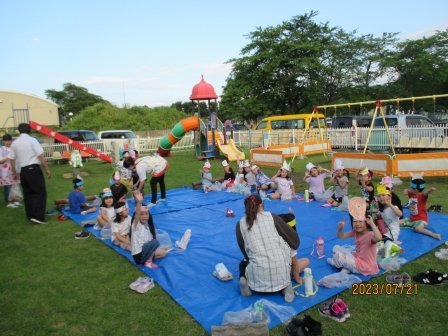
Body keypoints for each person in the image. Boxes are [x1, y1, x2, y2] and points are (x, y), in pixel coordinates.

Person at [236, 194, 298, 302]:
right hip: (281, 272)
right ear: (261, 205)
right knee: (281, 261)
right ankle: (286, 286)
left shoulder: (240, 224)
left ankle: (244, 279)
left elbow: (244, 251)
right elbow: (294, 240)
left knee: (244, 262)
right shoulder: (272, 217)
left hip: (257, 282)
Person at [327, 197, 382, 276]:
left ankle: (338, 264)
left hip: (366, 266)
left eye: (360, 221)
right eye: (355, 221)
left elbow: (379, 238)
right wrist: (340, 229)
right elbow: (341, 236)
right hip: (357, 258)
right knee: (336, 247)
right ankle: (346, 267)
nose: (357, 224)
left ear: (366, 223)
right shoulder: (355, 232)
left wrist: (372, 224)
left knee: (338, 256)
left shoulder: (370, 235)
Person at [9, 123, 51, 224]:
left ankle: (31, 216)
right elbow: (40, 156)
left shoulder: (15, 143)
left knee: (28, 194)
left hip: (23, 171)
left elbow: (11, 159)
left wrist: (14, 173)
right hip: (33, 169)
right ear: (29, 130)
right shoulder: (32, 140)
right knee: (39, 193)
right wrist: (47, 169)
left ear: (19, 131)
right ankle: (39, 217)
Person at [131, 190, 168, 268]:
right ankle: (148, 262)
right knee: (155, 242)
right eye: (142, 214)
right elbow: (137, 213)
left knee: (163, 252)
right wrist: (139, 202)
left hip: (144, 253)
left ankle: (147, 260)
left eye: (146, 214)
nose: (144, 216)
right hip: (139, 256)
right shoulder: (136, 225)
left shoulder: (147, 227)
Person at [401, 173, 441, 240]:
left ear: (416, 190)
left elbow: (425, 193)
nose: (410, 189)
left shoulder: (422, 196)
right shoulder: (411, 193)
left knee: (418, 229)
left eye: (412, 188)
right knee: (399, 222)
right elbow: (405, 191)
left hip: (421, 220)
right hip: (411, 219)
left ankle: (434, 235)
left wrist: (430, 190)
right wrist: (407, 190)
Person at [376, 184, 403, 257]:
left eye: (383, 195)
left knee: (381, 248)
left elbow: (400, 214)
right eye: (379, 196)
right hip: (385, 232)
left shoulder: (393, 207)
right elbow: (379, 222)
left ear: (389, 196)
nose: (381, 197)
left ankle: (395, 248)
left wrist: (390, 204)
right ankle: (392, 244)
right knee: (374, 243)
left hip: (393, 232)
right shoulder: (381, 209)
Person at [0, 134, 20, 208]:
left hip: (14, 169)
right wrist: (8, 157)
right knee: (7, 186)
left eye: (9, 140)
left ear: (11, 141)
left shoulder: (14, 148)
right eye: (5, 141)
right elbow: (0, 161)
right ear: (3, 141)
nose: (7, 142)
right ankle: (7, 201)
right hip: (5, 171)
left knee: (15, 185)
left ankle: (15, 200)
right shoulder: (1, 149)